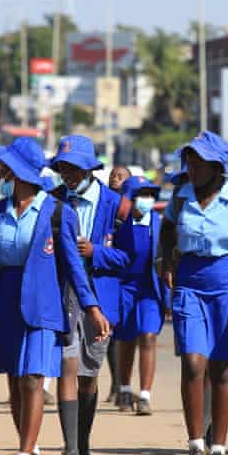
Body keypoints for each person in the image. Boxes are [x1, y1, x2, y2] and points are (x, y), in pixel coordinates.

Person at [0, 138, 109, 455]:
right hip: (5, 305)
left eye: (4, 167)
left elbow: (75, 266)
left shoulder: (58, 213)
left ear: (16, 172)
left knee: (33, 379)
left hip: (44, 306)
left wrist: (92, 307)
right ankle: (32, 448)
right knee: (16, 383)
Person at [160, 131, 228, 455]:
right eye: (188, 160)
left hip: (226, 284)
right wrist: (166, 266)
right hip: (189, 283)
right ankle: (195, 446)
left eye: (198, 161)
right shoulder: (180, 198)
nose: (191, 167)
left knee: (221, 368)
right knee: (193, 363)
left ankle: (218, 448)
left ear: (217, 166)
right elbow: (166, 233)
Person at [48, 135, 121, 455]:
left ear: (90, 168)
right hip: (64, 296)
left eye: (75, 168)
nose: (69, 174)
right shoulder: (52, 202)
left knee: (88, 375)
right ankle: (70, 449)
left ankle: (84, 446)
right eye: (63, 168)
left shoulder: (116, 205)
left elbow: (131, 258)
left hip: (101, 296)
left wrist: (97, 252)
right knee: (67, 364)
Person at [95, 176, 166, 415]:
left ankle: (145, 395)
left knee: (148, 336)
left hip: (149, 288)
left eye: (149, 194)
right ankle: (124, 388)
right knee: (125, 339)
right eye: (139, 194)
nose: (145, 199)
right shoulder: (116, 225)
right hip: (123, 288)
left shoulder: (159, 223)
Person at [105, 164, 132, 405]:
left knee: (130, 334)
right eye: (113, 175)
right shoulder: (105, 203)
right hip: (110, 272)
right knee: (112, 335)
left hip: (129, 274)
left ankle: (126, 385)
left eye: (120, 176)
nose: (115, 178)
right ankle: (116, 384)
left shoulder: (131, 208)